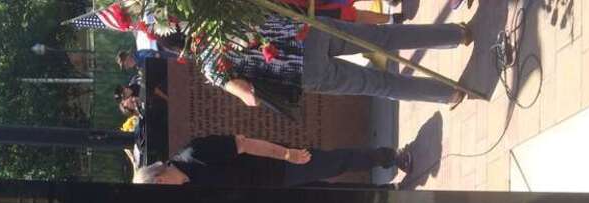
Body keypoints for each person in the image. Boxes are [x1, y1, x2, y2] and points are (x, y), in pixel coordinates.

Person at [198, 14, 474, 108]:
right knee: (384, 37)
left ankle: (448, 93)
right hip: (307, 30)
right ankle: (456, 33)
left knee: (379, 83)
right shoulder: (220, 13)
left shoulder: (211, 63)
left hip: (301, 71)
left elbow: (249, 96)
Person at [132, 133, 413, 187]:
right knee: (329, 195)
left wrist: (287, 154)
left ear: (158, 179)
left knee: (334, 163)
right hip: (270, 195)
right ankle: (389, 194)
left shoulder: (194, 154)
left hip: (279, 167)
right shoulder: (186, 191)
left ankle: (390, 156)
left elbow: (243, 144)